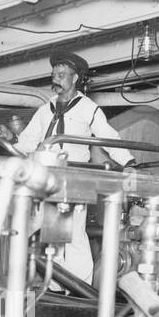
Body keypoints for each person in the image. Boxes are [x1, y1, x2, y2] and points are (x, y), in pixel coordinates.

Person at [15, 50, 135, 282]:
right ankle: (59, 287)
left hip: (75, 178)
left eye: (61, 74)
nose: (55, 79)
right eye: (54, 74)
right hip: (49, 178)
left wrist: (128, 161)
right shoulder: (46, 109)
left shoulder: (88, 108)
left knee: (75, 238)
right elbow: (28, 140)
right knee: (54, 236)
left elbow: (109, 137)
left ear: (75, 78)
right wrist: (10, 151)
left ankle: (82, 289)